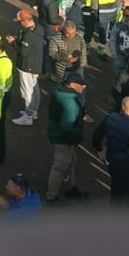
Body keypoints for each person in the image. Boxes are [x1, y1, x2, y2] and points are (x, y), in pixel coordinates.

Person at [46, 72, 88, 203]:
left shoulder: (58, 92)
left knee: (70, 162)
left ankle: (71, 187)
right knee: (59, 167)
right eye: (81, 85)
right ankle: (51, 196)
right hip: (63, 140)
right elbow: (67, 127)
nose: (84, 87)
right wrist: (73, 140)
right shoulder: (71, 103)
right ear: (73, 85)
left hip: (54, 131)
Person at [9, 9, 44, 125]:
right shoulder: (39, 29)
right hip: (36, 65)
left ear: (24, 21)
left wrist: (13, 42)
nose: (19, 24)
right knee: (35, 89)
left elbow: (23, 52)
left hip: (27, 67)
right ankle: (34, 111)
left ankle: (28, 117)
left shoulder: (29, 35)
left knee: (27, 91)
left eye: (20, 22)